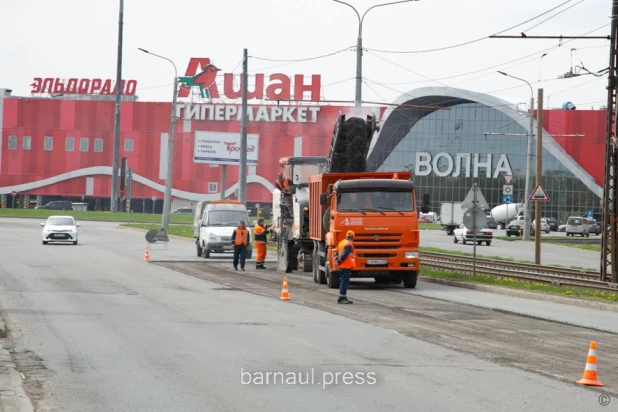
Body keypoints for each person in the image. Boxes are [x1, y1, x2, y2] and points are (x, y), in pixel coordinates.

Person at [336, 230, 355, 304]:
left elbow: (337, 254)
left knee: (342, 282)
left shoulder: (341, 243)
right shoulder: (348, 244)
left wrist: (338, 261)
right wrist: (340, 260)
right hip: (346, 266)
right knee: (344, 282)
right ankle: (341, 298)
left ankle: (343, 297)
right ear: (353, 237)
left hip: (341, 266)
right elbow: (345, 254)